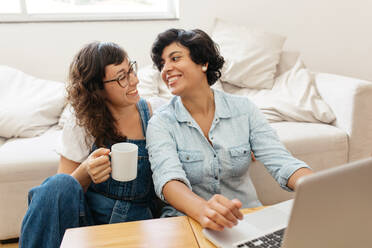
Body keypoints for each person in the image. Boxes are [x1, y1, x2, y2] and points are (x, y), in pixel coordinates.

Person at [146, 29, 313, 231]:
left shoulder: (244, 110)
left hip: (247, 220)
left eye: (175, 58)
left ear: (203, 63)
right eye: (162, 64)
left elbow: (281, 160)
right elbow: (168, 180)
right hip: (190, 223)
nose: (166, 69)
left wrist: (315, 186)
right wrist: (203, 209)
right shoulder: (161, 122)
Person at [20, 41, 165, 248]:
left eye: (130, 70)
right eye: (122, 77)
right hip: (88, 228)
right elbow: (62, 194)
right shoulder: (82, 124)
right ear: (98, 89)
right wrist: (86, 171)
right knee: (57, 185)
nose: (134, 80)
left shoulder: (155, 114)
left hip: (137, 227)